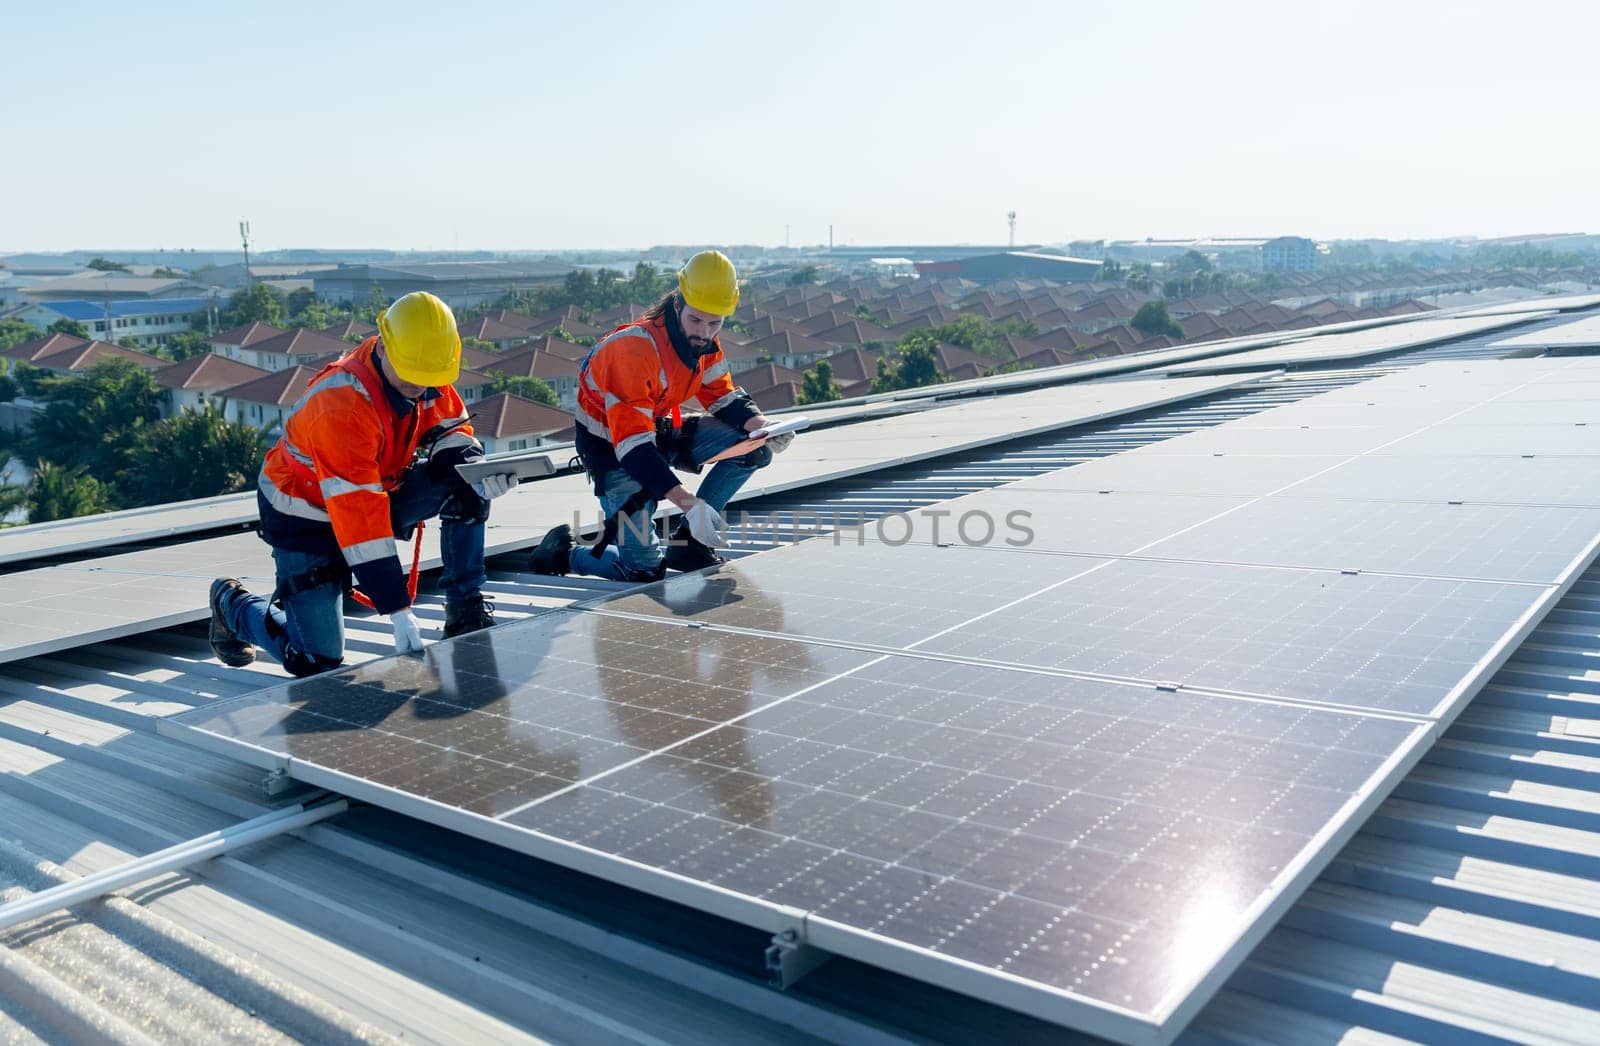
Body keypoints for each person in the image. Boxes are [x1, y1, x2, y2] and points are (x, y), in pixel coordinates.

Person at [208, 291, 521, 676]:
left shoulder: (426, 372)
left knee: (464, 484)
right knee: (315, 660)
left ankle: (464, 609)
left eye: (430, 382)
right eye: (413, 380)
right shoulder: (341, 404)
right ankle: (232, 604)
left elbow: (452, 431)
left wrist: (473, 470)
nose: (421, 390)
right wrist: (396, 608)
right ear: (386, 348)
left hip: (375, 492)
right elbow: (359, 515)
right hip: (305, 512)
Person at [529, 250, 791, 582]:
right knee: (645, 571)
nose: (705, 332)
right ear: (678, 304)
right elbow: (634, 448)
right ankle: (563, 554)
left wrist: (763, 427)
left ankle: (689, 545)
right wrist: (689, 503)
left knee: (754, 446)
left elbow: (721, 394)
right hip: (614, 451)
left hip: (659, 431)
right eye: (696, 320)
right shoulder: (632, 352)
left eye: (715, 322)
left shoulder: (703, 340)